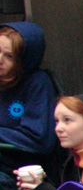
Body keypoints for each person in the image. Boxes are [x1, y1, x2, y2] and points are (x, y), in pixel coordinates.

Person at [0, 22, 59, 181]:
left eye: (9, 56)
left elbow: (38, 140)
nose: (0, 60)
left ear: (22, 60)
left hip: (18, 168)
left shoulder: (37, 83)